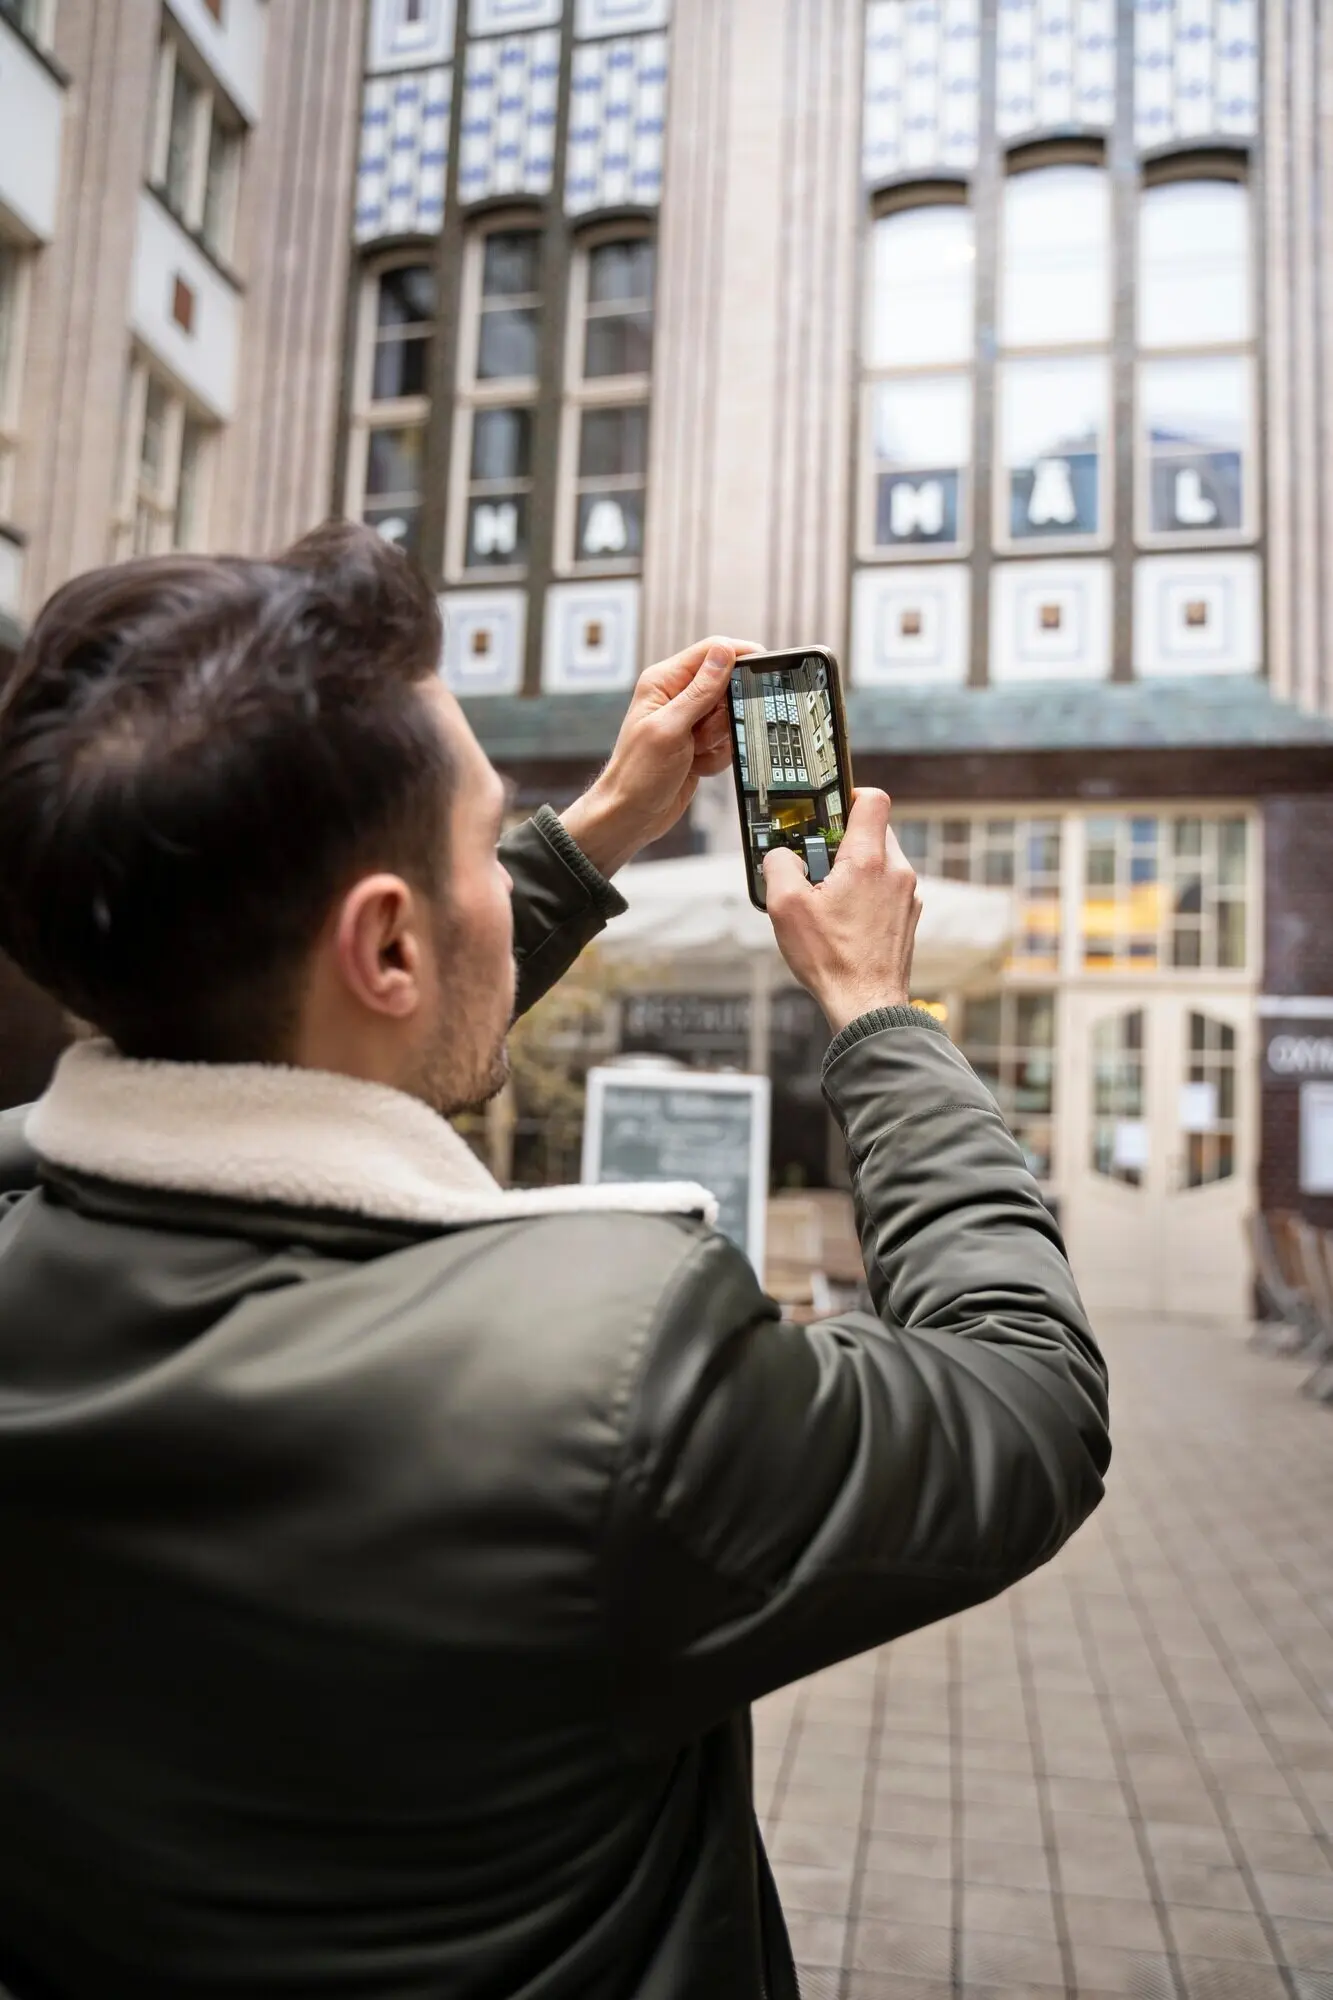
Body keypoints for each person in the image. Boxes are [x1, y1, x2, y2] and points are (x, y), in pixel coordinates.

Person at [0, 523, 1109, 2000]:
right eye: (481, 833)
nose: (498, 856)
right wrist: (873, 1016)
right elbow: (1023, 1398)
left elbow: (317, 1001)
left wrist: (592, 831)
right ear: (387, 948)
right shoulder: (603, 1384)